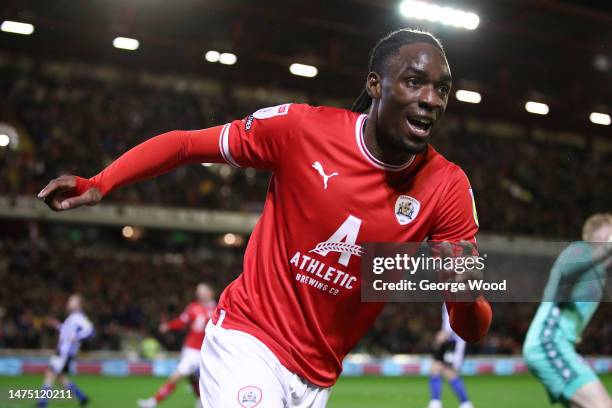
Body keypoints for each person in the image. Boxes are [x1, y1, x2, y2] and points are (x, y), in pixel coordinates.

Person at [38, 28, 492, 407]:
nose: (432, 99)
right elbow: (185, 144)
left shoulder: (447, 187)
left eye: (442, 88)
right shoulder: (301, 131)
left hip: (317, 380)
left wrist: (462, 289)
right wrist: (101, 183)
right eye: (415, 82)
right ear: (375, 85)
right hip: (247, 341)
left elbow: (471, 325)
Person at [523, 213, 612, 408]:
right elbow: (567, 273)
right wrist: (607, 248)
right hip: (548, 341)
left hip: (558, 344)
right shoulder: (579, 250)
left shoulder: (599, 269)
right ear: (599, 233)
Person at [138, 283, 216, 408]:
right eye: (198, 291)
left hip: (202, 351)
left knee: (177, 375)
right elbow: (182, 321)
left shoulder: (216, 309)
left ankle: (153, 402)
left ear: (210, 293)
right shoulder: (193, 307)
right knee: (192, 378)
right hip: (190, 348)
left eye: (202, 291)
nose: (199, 293)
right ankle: (201, 401)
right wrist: (168, 326)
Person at [37, 294, 94, 407]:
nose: (68, 302)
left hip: (65, 352)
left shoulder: (79, 318)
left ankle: (42, 403)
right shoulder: (72, 318)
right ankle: (82, 397)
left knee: (50, 374)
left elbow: (90, 331)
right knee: (60, 378)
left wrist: (77, 336)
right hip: (63, 351)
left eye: (71, 301)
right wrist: (57, 325)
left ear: (79, 305)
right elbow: (66, 331)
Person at [427, 304, 474, 408]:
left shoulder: (457, 298)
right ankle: (435, 402)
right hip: (448, 340)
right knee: (435, 368)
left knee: (449, 372)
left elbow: (458, 320)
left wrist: (445, 334)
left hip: (456, 340)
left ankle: (466, 403)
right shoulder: (448, 297)